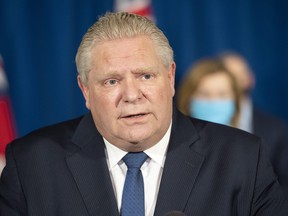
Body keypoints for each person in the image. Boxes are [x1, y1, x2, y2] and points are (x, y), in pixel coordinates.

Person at [0, 12, 287, 216]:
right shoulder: (30, 165)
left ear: (171, 77)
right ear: (85, 90)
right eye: (112, 81)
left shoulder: (242, 159)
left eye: (146, 76)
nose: (132, 94)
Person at [220, 52, 288, 196]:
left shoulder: (275, 128)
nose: (234, 81)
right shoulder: (200, 118)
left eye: (239, 75)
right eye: (227, 75)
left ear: (250, 79)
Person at [177, 58, 241, 127]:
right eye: (205, 94)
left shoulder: (246, 137)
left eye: (222, 94)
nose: (213, 101)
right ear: (187, 99)